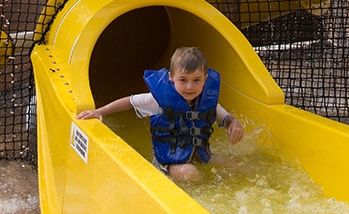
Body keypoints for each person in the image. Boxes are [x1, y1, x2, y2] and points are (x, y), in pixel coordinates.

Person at [76, 46, 245, 183]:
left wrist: (234, 123)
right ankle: (208, 194)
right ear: (171, 77)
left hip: (201, 155)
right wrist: (100, 111)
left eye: (196, 80)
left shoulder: (207, 101)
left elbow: (226, 118)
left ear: (205, 79)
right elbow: (129, 101)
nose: (189, 87)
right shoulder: (160, 100)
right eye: (183, 80)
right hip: (168, 161)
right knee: (189, 173)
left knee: (236, 164)